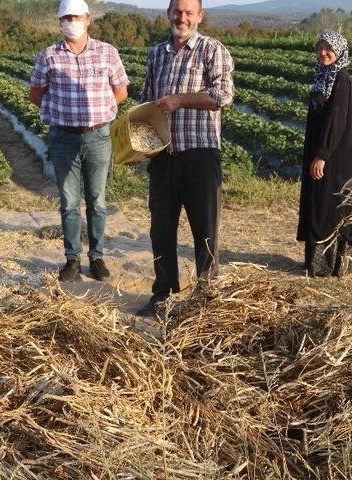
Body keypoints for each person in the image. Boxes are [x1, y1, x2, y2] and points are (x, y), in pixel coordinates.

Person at [136, 0, 234, 316]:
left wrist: (180, 100)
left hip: (200, 154)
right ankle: (162, 294)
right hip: (164, 156)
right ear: (168, 14)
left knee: (205, 229)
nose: (182, 17)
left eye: (189, 12)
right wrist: (138, 145)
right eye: (177, 11)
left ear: (199, 17)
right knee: (161, 229)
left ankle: (205, 299)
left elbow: (223, 96)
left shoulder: (211, 50)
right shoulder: (156, 55)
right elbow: (147, 102)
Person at [29, 0, 129, 282]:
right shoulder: (49, 56)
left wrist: (99, 111)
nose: (70, 22)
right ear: (59, 22)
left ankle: (97, 258)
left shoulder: (107, 52)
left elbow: (120, 90)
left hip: (98, 135)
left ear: (88, 19)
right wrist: (61, 112)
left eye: (75, 17)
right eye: (65, 18)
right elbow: (35, 94)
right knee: (69, 201)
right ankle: (72, 260)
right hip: (63, 137)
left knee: (97, 200)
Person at [296, 31, 352, 277]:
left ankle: (333, 264)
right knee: (321, 202)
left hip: (336, 157)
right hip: (322, 150)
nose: (324, 53)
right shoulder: (324, 76)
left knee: (330, 204)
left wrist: (322, 154)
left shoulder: (341, 78)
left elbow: (337, 120)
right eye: (320, 48)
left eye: (329, 49)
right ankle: (319, 264)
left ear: (340, 51)